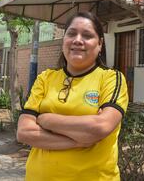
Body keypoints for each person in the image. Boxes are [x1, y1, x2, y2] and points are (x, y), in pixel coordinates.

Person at [17, 12, 129, 181]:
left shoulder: (111, 78)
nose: (77, 40)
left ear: (99, 44)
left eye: (87, 35)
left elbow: (100, 126)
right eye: (71, 33)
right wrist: (78, 141)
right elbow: (24, 132)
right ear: (64, 41)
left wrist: (46, 120)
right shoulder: (45, 78)